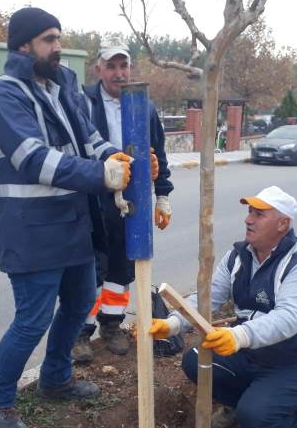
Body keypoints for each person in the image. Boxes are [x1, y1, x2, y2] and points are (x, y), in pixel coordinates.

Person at [0, 7, 135, 428]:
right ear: (23, 45)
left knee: (81, 302)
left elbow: (91, 139)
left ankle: (56, 379)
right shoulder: (3, 96)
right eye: (49, 39)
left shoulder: (62, 88)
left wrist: (118, 160)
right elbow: (34, 161)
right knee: (32, 321)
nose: (58, 47)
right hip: (30, 229)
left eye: (59, 38)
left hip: (72, 223)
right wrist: (102, 175)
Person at [149, 186, 297, 428]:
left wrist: (239, 335)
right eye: (249, 212)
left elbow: (287, 319)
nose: (248, 220)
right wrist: (172, 323)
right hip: (253, 354)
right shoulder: (238, 257)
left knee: (255, 417)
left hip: (296, 362)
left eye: (259, 214)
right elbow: (207, 298)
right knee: (195, 361)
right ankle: (241, 404)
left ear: (282, 224)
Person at [72, 45, 173, 362]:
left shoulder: (144, 106)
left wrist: (163, 195)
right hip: (92, 199)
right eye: (111, 66)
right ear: (98, 70)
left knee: (121, 267)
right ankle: (80, 332)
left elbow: (159, 153)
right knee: (90, 269)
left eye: (123, 65)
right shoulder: (83, 104)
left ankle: (111, 325)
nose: (118, 73)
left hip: (131, 199)